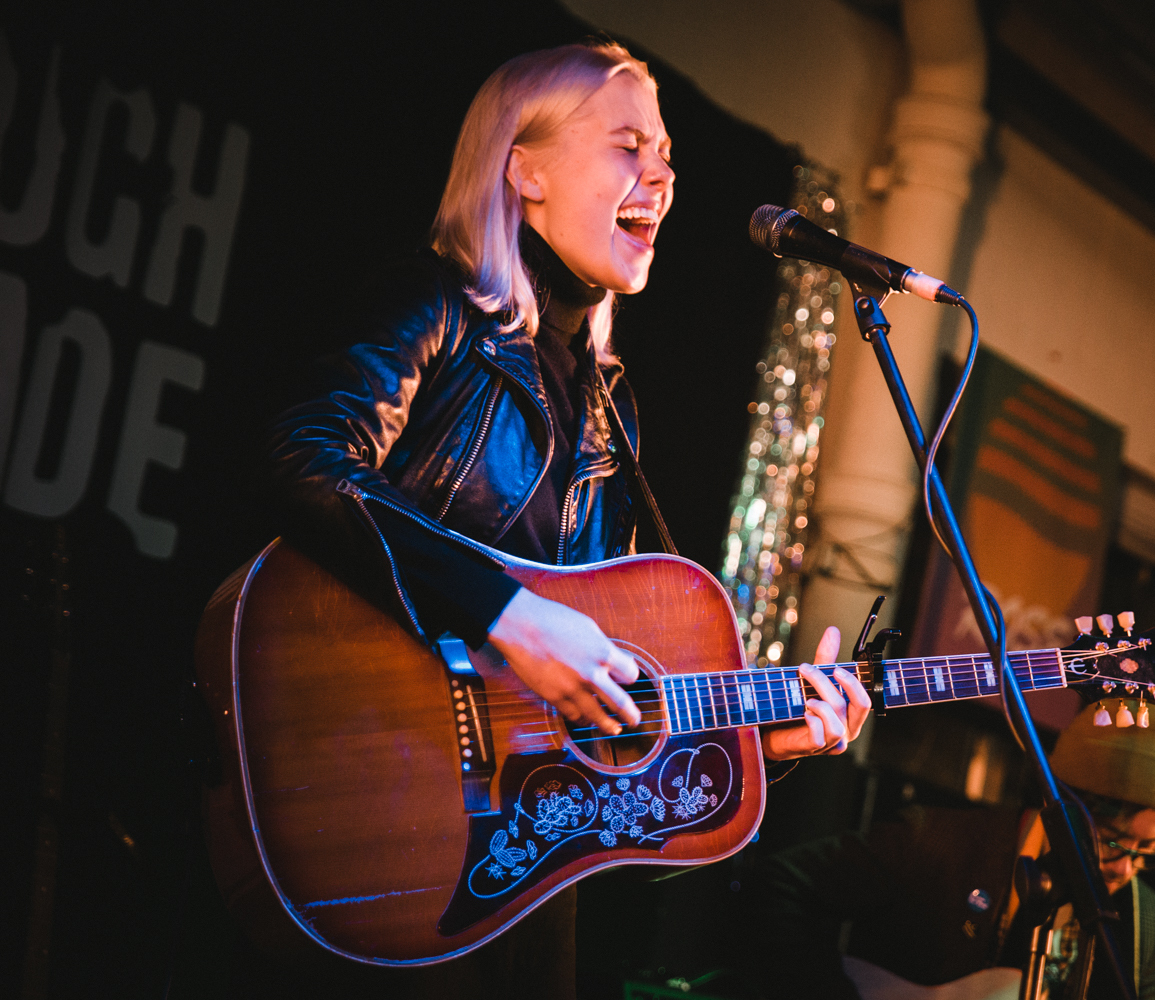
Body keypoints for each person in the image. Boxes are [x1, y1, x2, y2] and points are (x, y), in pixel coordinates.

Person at [264, 40, 870, 997]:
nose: (664, 173)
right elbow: (302, 463)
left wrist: (762, 733)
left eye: (667, 152)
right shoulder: (436, 307)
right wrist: (506, 614)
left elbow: (601, 716)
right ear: (525, 168)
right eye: (629, 144)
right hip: (377, 809)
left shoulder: (609, 409)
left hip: (519, 891)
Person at [749, 700, 1155, 1000]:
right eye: (1113, 841)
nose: (1126, 868)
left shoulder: (1148, 929)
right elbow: (781, 883)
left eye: (1147, 851)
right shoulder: (938, 840)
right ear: (1064, 807)